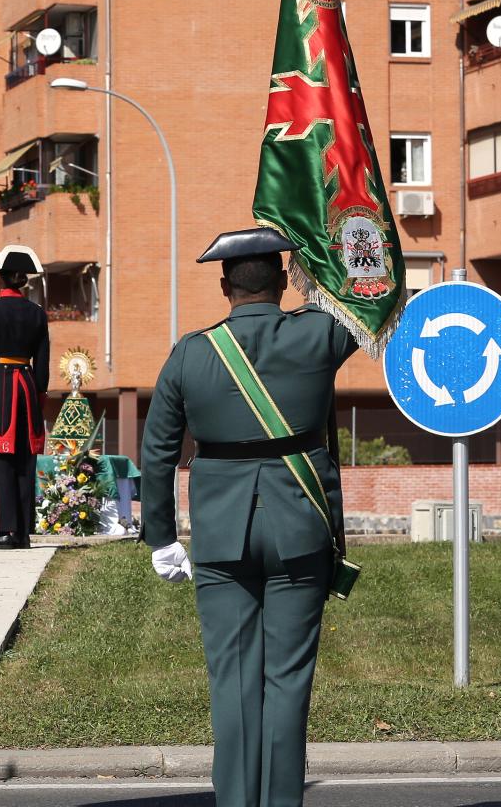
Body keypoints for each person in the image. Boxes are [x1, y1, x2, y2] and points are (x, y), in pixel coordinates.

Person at [140, 226, 356, 807]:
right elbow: (371, 290)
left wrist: (161, 536)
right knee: (287, 686)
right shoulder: (320, 335)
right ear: (285, 279)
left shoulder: (191, 352)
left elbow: (157, 450)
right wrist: (318, 247)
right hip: (300, 526)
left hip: (221, 534)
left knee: (233, 685)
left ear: (223, 285)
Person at [0, 245, 50, 550]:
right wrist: (38, 398)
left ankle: (2, 529)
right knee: (24, 461)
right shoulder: (37, 314)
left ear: (1, 278)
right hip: (27, 385)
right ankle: (22, 532)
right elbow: (42, 364)